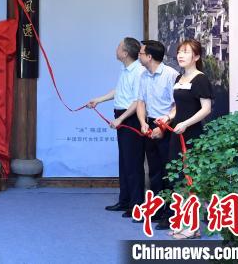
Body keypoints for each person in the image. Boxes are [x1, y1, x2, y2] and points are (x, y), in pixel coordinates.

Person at [87, 37, 145, 218]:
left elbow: (137, 101)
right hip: (122, 116)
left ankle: (137, 205)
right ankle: (125, 200)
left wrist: (121, 119)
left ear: (125, 53)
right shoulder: (125, 69)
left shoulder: (139, 71)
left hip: (132, 118)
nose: (116, 49)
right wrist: (98, 100)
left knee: (133, 163)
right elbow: (119, 91)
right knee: (124, 161)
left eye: (119, 47)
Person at [164, 39, 213, 239]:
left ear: (197, 56)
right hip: (177, 134)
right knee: (179, 180)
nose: (181, 55)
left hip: (192, 136)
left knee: (191, 180)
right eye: (179, 52)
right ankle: (186, 223)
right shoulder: (179, 78)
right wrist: (168, 117)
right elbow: (178, 108)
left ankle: (193, 227)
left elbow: (206, 109)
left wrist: (186, 123)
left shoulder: (201, 79)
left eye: (186, 52)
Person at [135, 39, 179, 230]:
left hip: (167, 126)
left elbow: (177, 106)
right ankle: (157, 210)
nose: (139, 55)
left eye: (141, 53)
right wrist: (143, 123)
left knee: (168, 173)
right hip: (150, 125)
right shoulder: (143, 75)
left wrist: (163, 126)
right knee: (153, 171)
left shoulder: (171, 75)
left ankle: (170, 215)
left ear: (150, 56)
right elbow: (141, 102)